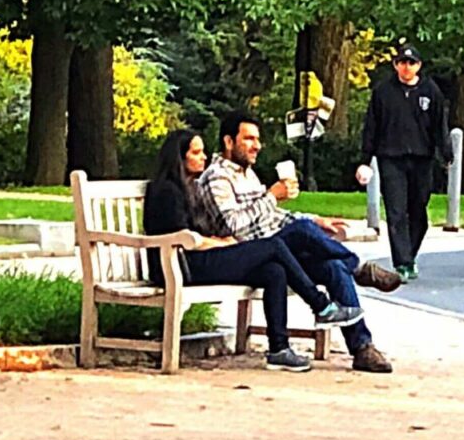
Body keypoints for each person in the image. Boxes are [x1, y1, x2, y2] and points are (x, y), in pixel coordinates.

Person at [144, 128, 363, 372]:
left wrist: (218, 240)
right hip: (178, 266)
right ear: (179, 157)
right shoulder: (167, 191)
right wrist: (222, 243)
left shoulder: (190, 188)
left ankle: (279, 349)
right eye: (196, 153)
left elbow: (199, 233)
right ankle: (321, 304)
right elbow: (182, 238)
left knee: (273, 270)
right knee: (273, 246)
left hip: (194, 259)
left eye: (203, 151)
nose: (203, 157)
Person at [204, 112, 400, 373]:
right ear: (229, 142)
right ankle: (359, 268)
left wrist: (315, 219)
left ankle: (362, 348)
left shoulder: (248, 175)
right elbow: (235, 226)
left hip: (279, 250)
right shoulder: (217, 177)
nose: (257, 145)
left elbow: (272, 217)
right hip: (250, 255)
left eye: (257, 139)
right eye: (249, 139)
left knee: (332, 266)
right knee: (302, 231)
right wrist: (272, 196)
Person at [359, 45, 448, 279]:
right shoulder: (383, 92)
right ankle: (402, 262)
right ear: (396, 65)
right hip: (391, 158)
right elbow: (371, 127)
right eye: (402, 63)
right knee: (396, 211)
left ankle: (410, 254)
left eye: (411, 63)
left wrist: (445, 152)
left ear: (418, 66)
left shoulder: (430, 91)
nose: (406, 67)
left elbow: (440, 124)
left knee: (418, 210)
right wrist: (364, 160)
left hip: (421, 158)